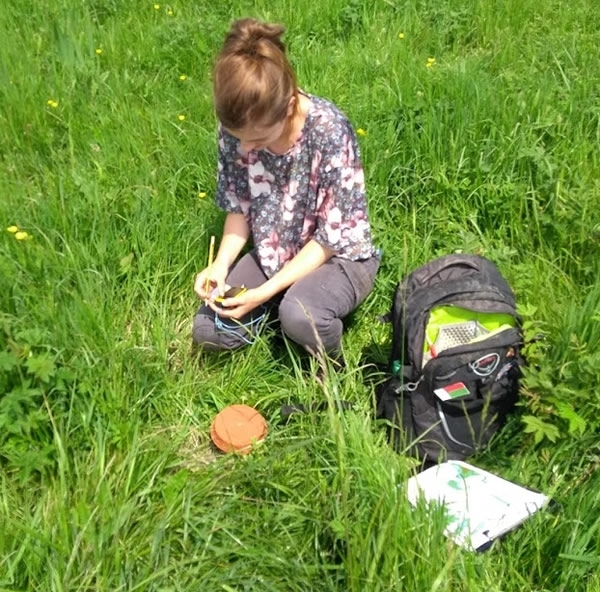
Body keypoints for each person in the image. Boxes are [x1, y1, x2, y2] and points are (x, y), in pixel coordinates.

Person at [192, 17, 380, 360]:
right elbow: (239, 206)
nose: (246, 149)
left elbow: (331, 238)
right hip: (273, 253)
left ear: (290, 106)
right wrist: (220, 265)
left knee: (299, 315)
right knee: (209, 330)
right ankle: (276, 311)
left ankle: (331, 369)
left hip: (338, 257)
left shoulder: (329, 130)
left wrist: (264, 291)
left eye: (258, 140)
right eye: (239, 139)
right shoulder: (240, 127)